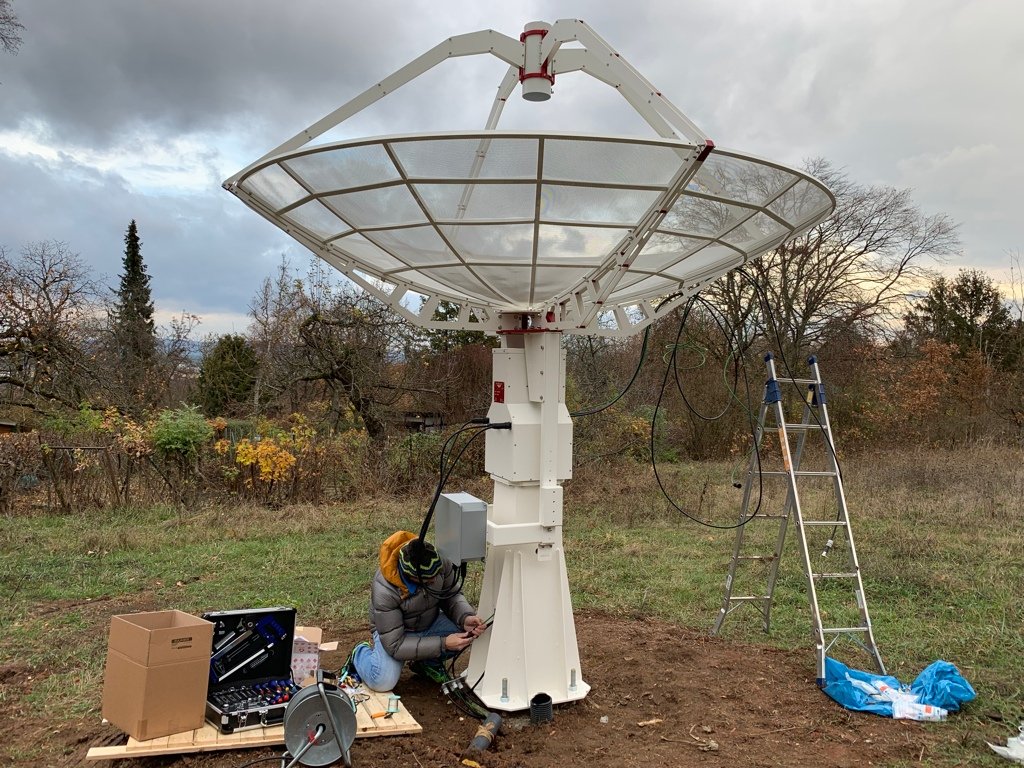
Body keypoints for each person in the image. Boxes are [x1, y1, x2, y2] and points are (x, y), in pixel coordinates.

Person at [344, 530, 486, 691]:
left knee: (469, 631)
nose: (434, 580)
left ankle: (427, 665)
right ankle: (359, 654)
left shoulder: (438, 563)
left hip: (429, 623)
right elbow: (395, 645)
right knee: (382, 681)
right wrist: (443, 643)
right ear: (412, 576)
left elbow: (451, 595)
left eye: (435, 575)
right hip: (395, 636)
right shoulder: (385, 590)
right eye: (428, 579)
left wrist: (465, 617)